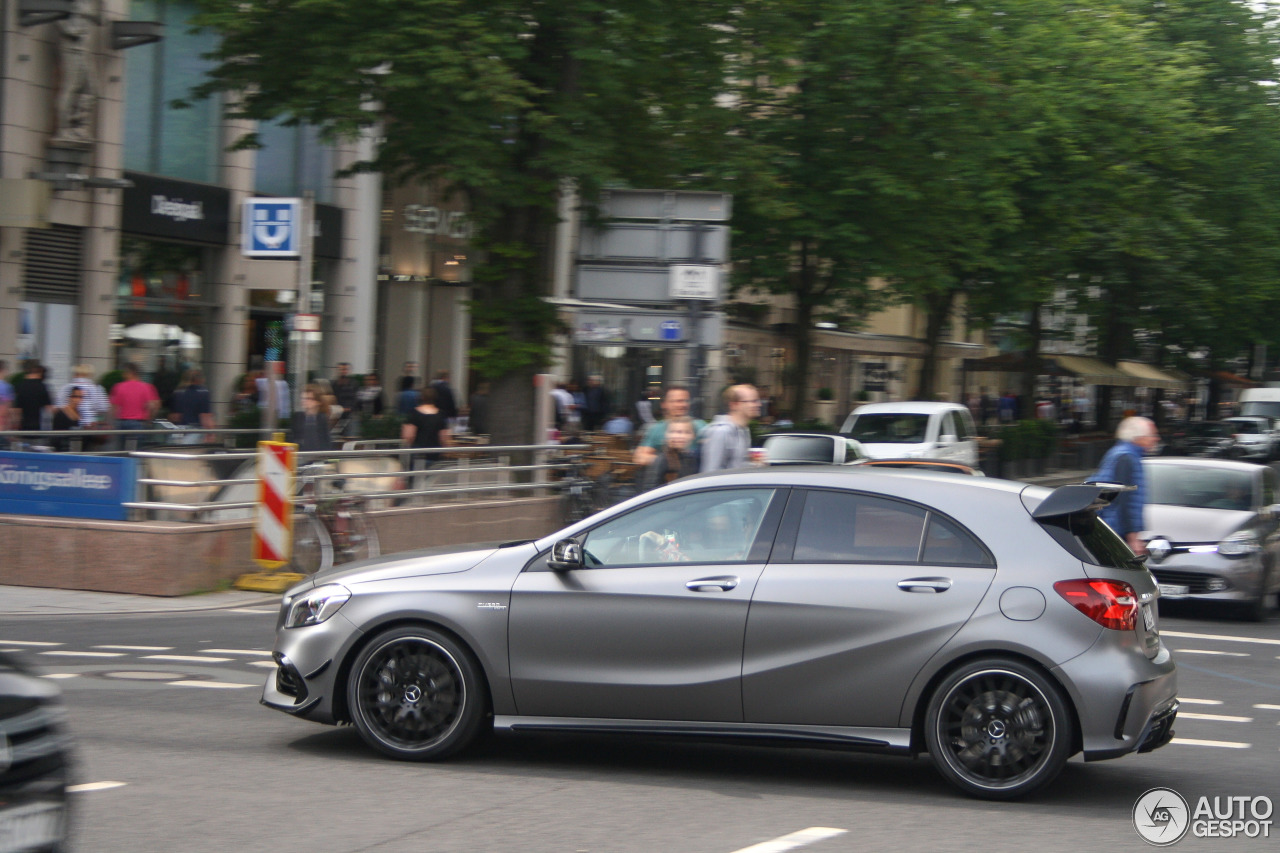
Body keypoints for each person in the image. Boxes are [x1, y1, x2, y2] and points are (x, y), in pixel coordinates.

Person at [1087, 416, 1160, 556]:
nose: (1156, 439)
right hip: (1116, 531)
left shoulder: (1120, 453)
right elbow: (1124, 499)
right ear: (1139, 437)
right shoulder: (1127, 458)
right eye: (1152, 435)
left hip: (1110, 527)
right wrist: (1132, 537)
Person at [633, 385, 707, 467]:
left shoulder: (700, 425)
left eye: (686, 401)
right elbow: (640, 457)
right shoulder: (657, 429)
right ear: (664, 404)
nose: (683, 405)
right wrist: (669, 461)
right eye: (678, 401)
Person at [700, 384, 761, 472]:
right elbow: (711, 472)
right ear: (734, 405)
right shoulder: (721, 432)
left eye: (757, 400)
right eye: (753, 401)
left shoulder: (744, 430)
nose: (758, 404)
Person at [636, 416, 698, 492]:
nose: (681, 436)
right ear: (667, 435)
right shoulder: (662, 461)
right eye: (675, 432)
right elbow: (649, 493)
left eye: (687, 432)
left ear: (693, 436)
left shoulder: (691, 459)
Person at [109, 362, 160, 446]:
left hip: (122, 423)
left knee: (122, 450)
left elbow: (114, 407)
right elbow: (154, 405)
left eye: (124, 372)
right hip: (139, 423)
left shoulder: (118, 387)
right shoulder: (146, 387)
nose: (123, 374)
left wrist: (113, 422)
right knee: (137, 450)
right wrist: (149, 419)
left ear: (130, 373)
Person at [401, 386, 452, 463]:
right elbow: (444, 437)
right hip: (435, 454)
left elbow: (409, 436)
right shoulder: (441, 414)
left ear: (422, 397)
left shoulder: (414, 413)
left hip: (418, 453)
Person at [57, 365, 109, 429]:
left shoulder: (65, 387)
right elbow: (103, 408)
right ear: (89, 374)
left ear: (75, 373)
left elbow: (59, 406)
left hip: (70, 422)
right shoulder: (96, 388)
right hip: (90, 424)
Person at [170, 369, 214, 441]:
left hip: (178, 430)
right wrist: (211, 433)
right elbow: (205, 416)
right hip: (195, 431)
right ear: (199, 379)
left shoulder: (178, 392)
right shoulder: (203, 392)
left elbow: (175, 416)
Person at [290, 384, 333, 454]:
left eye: (308, 398)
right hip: (300, 455)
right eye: (303, 398)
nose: (304, 401)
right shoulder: (297, 417)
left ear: (317, 402)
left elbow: (326, 441)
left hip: (318, 456)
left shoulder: (322, 418)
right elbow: (292, 438)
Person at [13, 360, 53, 432]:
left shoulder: (19, 386)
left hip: (23, 427)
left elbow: (17, 410)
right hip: (39, 427)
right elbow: (49, 408)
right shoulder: (42, 387)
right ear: (38, 370)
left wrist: (15, 425)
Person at [332, 362, 359, 435]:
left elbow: (356, 399)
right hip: (337, 414)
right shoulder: (334, 384)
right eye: (341, 369)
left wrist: (349, 408)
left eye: (345, 369)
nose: (343, 371)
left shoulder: (354, 384)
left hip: (350, 414)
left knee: (350, 435)